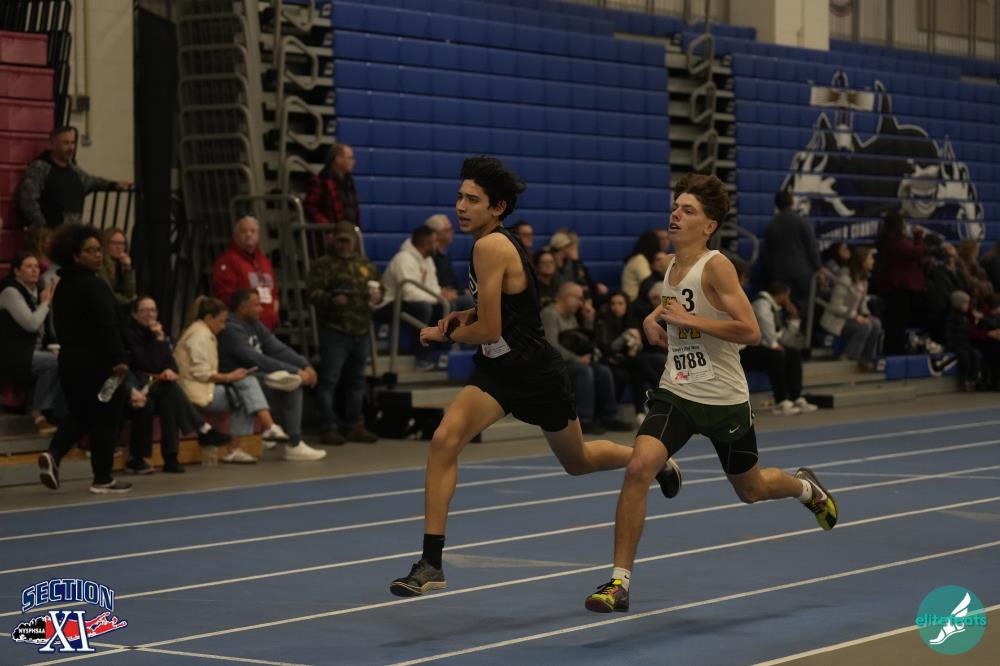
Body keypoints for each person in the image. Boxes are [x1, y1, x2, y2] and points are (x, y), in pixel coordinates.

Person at [388, 156, 680, 598]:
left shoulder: (491, 246)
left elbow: (491, 329)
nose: (461, 206)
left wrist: (445, 334)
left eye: (472, 200)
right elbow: (502, 310)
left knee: (578, 461)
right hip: (498, 371)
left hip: (536, 374)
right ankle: (431, 563)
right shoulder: (488, 242)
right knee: (444, 440)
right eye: (460, 197)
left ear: (498, 207)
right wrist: (462, 315)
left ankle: (654, 460)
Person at [583, 174, 838, 613]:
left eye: (688, 210)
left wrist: (689, 321)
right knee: (639, 467)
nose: (675, 215)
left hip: (723, 399)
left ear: (708, 226)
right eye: (675, 207)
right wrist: (652, 317)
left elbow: (750, 331)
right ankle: (618, 583)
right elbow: (679, 301)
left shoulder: (717, 265)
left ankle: (805, 488)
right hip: (677, 391)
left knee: (751, 489)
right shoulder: (671, 266)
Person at [37, 225, 132, 494]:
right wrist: (119, 358)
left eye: (99, 250)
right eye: (90, 251)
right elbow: (107, 326)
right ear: (75, 255)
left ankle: (54, 454)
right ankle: (103, 478)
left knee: (81, 414)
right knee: (106, 419)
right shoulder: (95, 285)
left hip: (69, 363)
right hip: (102, 367)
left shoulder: (62, 287)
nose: (98, 255)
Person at [174, 296, 290, 464]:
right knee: (247, 388)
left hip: (203, 387)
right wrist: (229, 377)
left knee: (246, 385)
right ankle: (267, 428)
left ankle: (265, 431)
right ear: (209, 318)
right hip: (195, 394)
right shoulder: (200, 335)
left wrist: (233, 376)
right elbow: (200, 373)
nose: (223, 327)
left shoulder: (203, 332)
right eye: (221, 321)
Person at [123, 296, 232, 474]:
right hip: (134, 385)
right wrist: (159, 341)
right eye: (144, 310)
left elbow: (171, 362)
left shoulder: (157, 333)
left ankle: (171, 458)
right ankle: (202, 430)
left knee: (169, 400)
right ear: (135, 314)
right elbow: (144, 362)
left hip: (154, 384)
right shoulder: (129, 334)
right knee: (168, 392)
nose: (150, 314)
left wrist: (169, 369)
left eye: (153, 310)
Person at [217, 289, 327, 461]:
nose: (261, 309)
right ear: (243, 307)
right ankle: (292, 442)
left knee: (292, 382)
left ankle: (291, 442)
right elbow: (256, 359)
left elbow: (277, 348)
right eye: (256, 305)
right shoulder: (231, 329)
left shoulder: (254, 324)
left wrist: (304, 364)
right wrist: (296, 371)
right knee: (292, 382)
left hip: (254, 375)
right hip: (236, 378)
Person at [308, 223, 381, 445]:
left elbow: (379, 287)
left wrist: (378, 295)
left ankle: (355, 424)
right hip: (334, 329)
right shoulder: (323, 265)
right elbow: (312, 293)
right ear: (334, 241)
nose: (343, 245)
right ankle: (328, 425)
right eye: (340, 241)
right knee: (329, 380)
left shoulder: (365, 265)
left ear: (354, 242)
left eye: (347, 241)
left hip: (361, 329)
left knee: (357, 380)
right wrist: (331, 299)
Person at [541, 281, 629, 434]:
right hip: (554, 364)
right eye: (579, 299)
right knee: (584, 371)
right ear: (566, 297)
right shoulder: (549, 314)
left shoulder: (571, 317)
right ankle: (585, 419)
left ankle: (609, 416)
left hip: (571, 361)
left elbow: (582, 341)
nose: (581, 303)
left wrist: (588, 320)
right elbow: (551, 346)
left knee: (603, 371)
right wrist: (577, 359)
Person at [18, 126, 132, 229]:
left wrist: (114, 185)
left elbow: (93, 182)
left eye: (72, 143)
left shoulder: (74, 170)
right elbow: (28, 200)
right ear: (53, 144)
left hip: (72, 233)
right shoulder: (40, 168)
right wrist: (43, 227)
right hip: (49, 234)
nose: (71, 147)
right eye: (66, 143)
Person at [0, 252, 60, 434]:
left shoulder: (37, 290)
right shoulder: (10, 291)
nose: (34, 270)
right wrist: (46, 303)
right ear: (17, 271)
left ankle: (57, 415)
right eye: (28, 266)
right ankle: (37, 413)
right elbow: (32, 324)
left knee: (64, 359)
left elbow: (46, 326)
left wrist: (53, 345)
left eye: (36, 266)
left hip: (31, 351)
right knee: (52, 363)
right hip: (12, 354)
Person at [741, 283, 818, 415]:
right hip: (746, 349)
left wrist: (794, 319)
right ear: (783, 295)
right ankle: (781, 401)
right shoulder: (762, 303)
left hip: (763, 348)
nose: (788, 299)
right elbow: (766, 325)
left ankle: (796, 397)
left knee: (793, 353)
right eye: (788, 296)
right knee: (776, 355)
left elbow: (784, 339)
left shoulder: (775, 310)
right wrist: (774, 345)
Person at [380, 225, 446, 369]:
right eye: (435, 241)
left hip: (409, 302)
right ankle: (420, 357)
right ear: (426, 243)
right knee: (422, 308)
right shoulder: (403, 259)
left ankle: (443, 352)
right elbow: (409, 294)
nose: (437, 244)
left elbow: (433, 287)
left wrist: (441, 298)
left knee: (448, 305)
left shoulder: (427, 260)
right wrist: (438, 297)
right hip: (389, 303)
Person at [212, 215, 280, 331]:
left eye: (252, 231)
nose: (248, 234)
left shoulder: (264, 261)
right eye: (243, 231)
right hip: (243, 328)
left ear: (258, 235)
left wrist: (273, 315)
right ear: (235, 236)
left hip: (267, 328)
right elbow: (227, 298)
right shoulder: (227, 261)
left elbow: (274, 293)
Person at [821, 247, 882, 370]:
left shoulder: (864, 280)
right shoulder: (845, 279)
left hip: (851, 317)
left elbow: (861, 303)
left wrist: (866, 315)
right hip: (837, 319)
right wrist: (856, 316)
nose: (873, 261)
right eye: (870, 258)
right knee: (865, 327)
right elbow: (835, 306)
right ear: (862, 261)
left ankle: (865, 360)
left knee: (876, 323)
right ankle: (848, 357)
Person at [761, 190, 821, 312]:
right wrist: (818, 267)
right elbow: (812, 248)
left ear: (777, 205)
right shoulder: (802, 221)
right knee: (807, 307)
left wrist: (771, 276)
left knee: (785, 308)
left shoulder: (771, 226)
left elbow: (768, 256)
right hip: (803, 273)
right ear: (792, 202)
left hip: (780, 274)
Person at [875, 212, 926, 355]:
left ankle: (894, 349)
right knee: (897, 322)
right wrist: (918, 237)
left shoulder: (887, 241)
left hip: (894, 286)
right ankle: (895, 350)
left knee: (896, 322)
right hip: (898, 287)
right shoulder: (896, 242)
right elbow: (917, 252)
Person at [425, 214, 474, 311]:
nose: (452, 232)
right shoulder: (429, 258)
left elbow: (453, 282)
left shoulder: (444, 256)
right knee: (470, 301)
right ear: (436, 234)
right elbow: (437, 284)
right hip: (439, 296)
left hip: (453, 294)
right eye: (448, 230)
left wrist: (463, 291)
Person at [303, 143, 360, 226]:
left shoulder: (349, 182)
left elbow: (354, 209)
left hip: (349, 229)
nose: (353, 162)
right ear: (338, 159)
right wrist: (326, 226)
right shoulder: (321, 181)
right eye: (350, 158)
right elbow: (310, 206)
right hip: (333, 230)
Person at [548, 229, 607, 300]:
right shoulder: (548, 260)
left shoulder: (570, 261)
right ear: (565, 247)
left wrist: (595, 287)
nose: (576, 248)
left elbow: (585, 281)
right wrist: (576, 262)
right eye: (573, 245)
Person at [943, 291, 981, 392]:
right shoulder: (952, 317)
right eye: (965, 303)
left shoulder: (965, 316)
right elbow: (948, 333)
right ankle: (962, 380)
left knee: (976, 355)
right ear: (958, 304)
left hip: (965, 344)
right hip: (956, 345)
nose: (968, 306)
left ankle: (973, 379)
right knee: (965, 357)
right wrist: (951, 344)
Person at [97, 228, 136, 307]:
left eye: (122, 243)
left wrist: (128, 269)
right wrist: (129, 300)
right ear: (105, 245)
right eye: (114, 243)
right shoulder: (100, 264)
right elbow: (107, 294)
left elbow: (130, 292)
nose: (119, 247)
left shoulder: (121, 263)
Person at [620, 230, 660, 302]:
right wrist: (659, 271)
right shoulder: (639, 259)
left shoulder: (638, 258)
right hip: (632, 302)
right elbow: (649, 285)